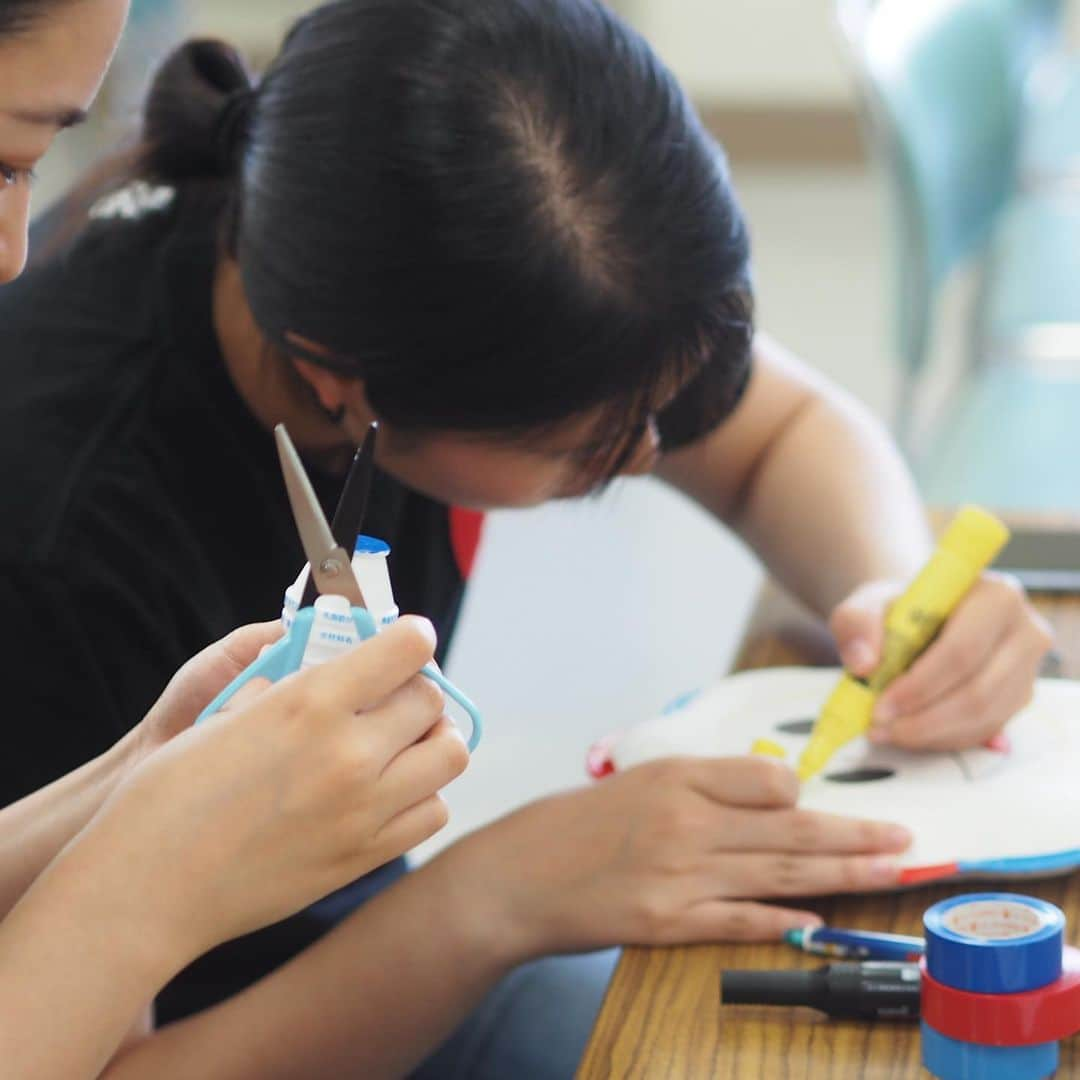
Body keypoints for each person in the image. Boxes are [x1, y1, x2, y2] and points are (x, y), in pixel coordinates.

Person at [1, 0, 1053, 1074]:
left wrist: (897, 590)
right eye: (593, 442)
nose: (651, 453)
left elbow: (776, 433)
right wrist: (493, 903)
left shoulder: (377, 250)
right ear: (340, 381)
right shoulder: (63, 540)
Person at [0, 3, 469, 1075]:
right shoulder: (58, 523)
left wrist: (132, 782)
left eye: (34, 163)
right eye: (2, 161)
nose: (16, 258)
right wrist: (149, 881)